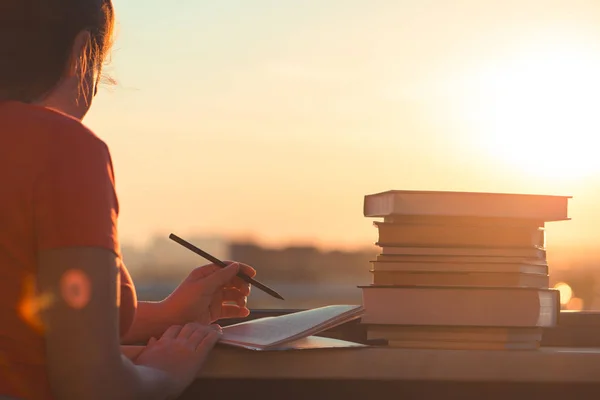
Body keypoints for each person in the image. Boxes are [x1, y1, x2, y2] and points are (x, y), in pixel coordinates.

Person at [0, 1, 256, 399]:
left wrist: (169, 316)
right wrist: (164, 374)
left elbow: (28, 318)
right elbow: (91, 384)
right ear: (83, 53)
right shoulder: (60, 147)